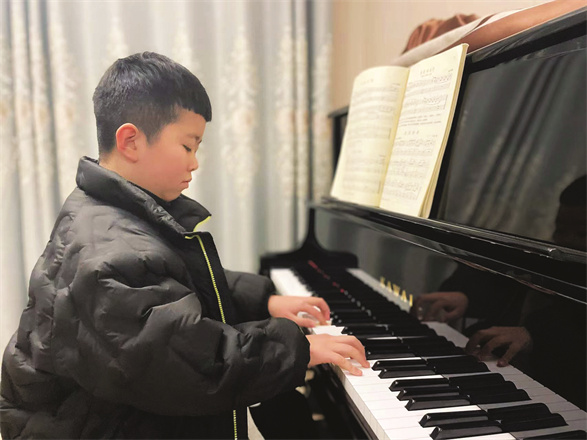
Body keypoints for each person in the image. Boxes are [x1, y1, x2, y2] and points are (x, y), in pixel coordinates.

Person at [0, 52, 369, 439]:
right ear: (130, 141)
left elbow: (172, 282)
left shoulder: (114, 213)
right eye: (188, 146)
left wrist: (264, 301)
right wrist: (298, 350)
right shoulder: (108, 256)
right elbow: (198, 365)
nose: (195, 163)